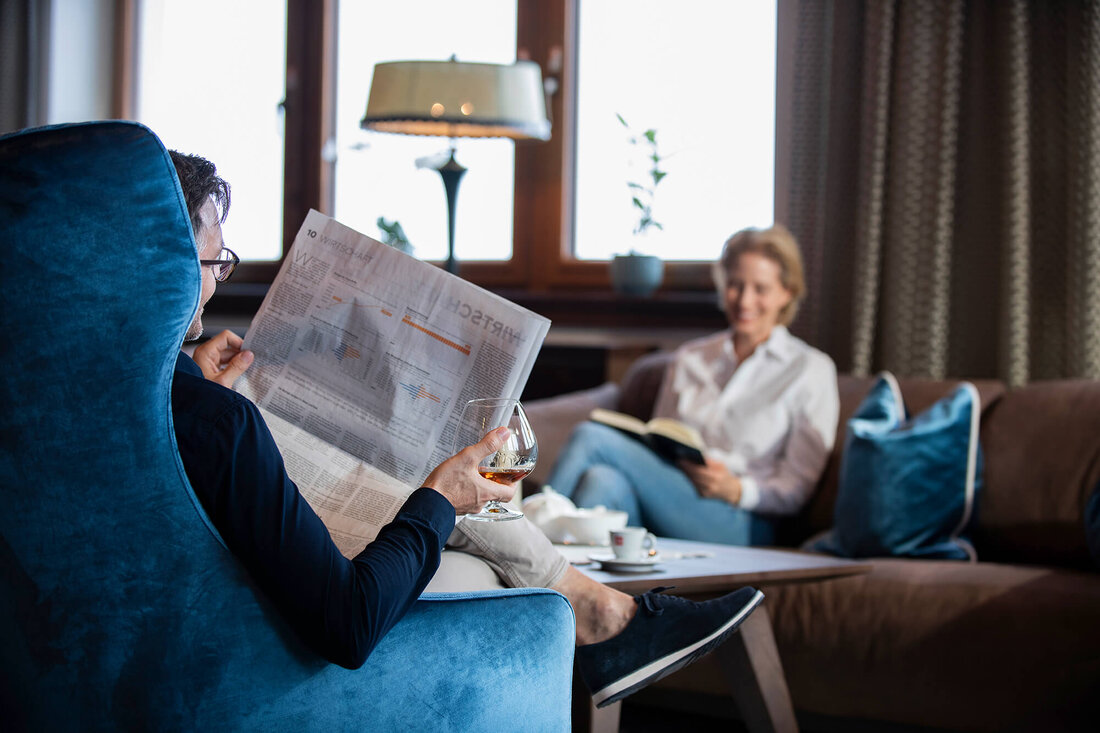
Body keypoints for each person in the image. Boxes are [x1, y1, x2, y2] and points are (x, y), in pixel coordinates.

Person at [168, 150, 763, 709]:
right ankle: (607, 619)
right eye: (214, 262)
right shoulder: (215, 419)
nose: (220, 281)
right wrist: (439, 499)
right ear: (161, 264)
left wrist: (196, 391)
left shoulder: (148, 392)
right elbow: (347, 625)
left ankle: (603, 613)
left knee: (430, 486)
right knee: (443, 493)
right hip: (283, 622)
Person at [545, 225, 840, 546]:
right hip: (668, 494)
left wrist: (737, 489)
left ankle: (522, 540)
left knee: (591, 437)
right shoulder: (690, 358)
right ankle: (570, 593)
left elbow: (796, 488)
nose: (744, 300)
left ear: (787, 293)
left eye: (761, 289)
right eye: (735, 285)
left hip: (742, 518)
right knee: (601, 482)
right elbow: (661, 437)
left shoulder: (809, 369)